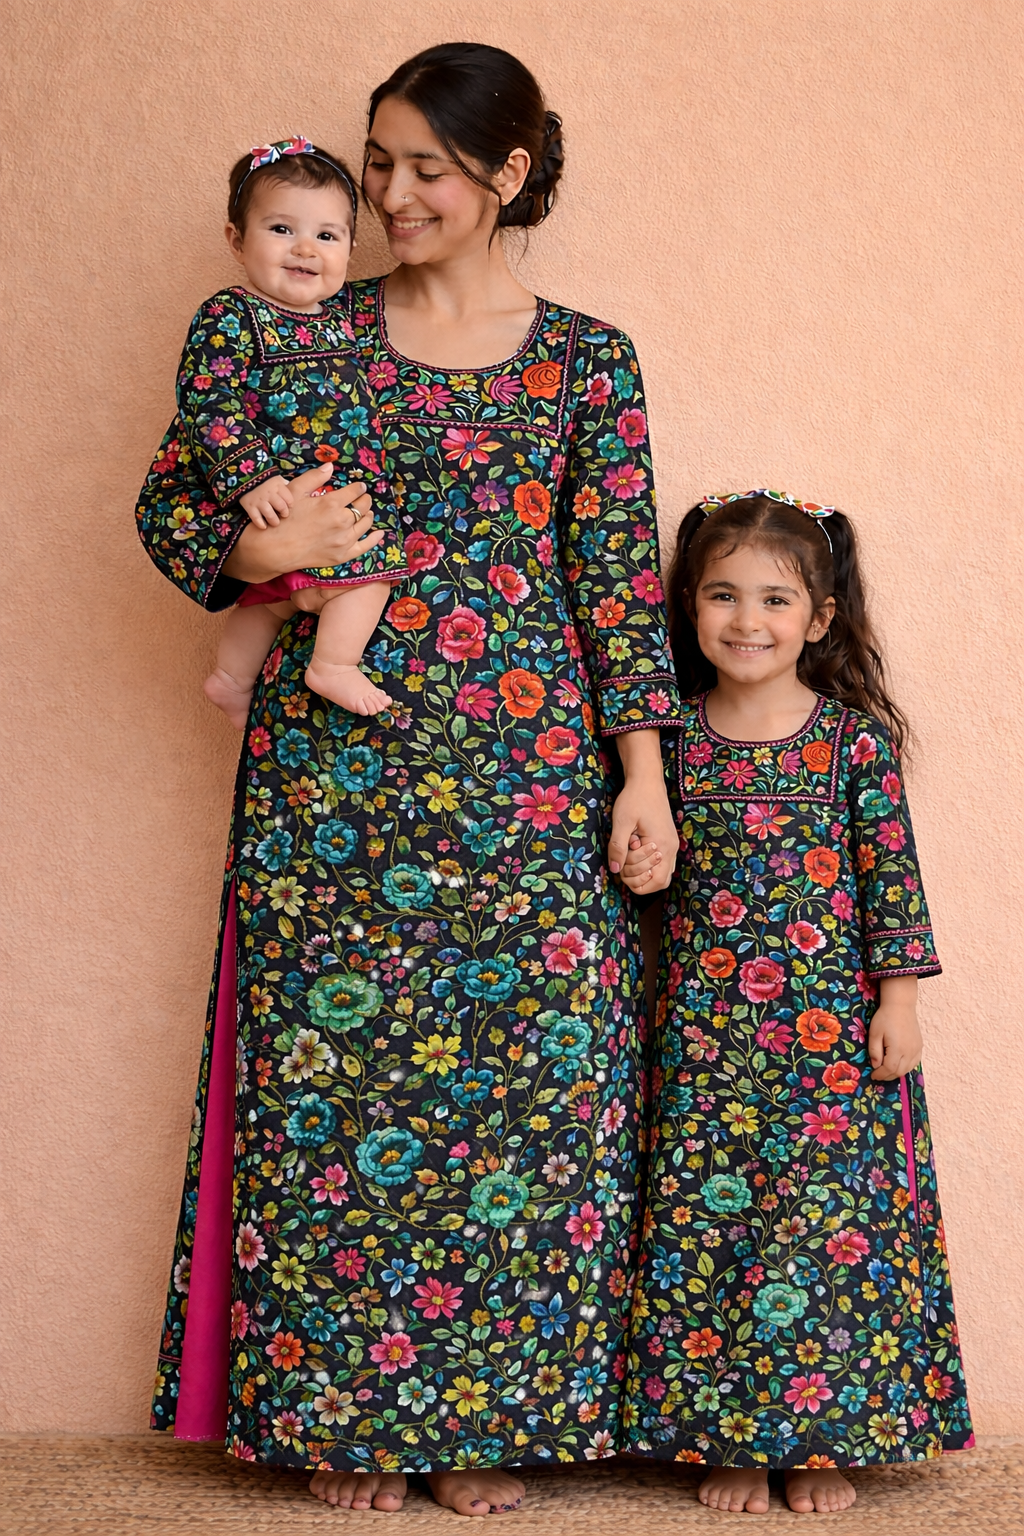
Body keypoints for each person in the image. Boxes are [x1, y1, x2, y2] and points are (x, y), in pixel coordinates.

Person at [139, 43, 682, 1516]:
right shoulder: (302, 324)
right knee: (337, 1090)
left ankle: (487, 1422)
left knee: (532, 1100)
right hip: (337, 782)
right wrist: (259, 551)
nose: (388, 195)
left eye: (425, 168)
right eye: (377, 164)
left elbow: (616, 581)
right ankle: (347, 1417)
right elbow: (178, 505)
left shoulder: (588, 361)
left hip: (531, 783)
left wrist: (643, 779)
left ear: (507, 173)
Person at [620, 491, 973, 1513]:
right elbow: (644, 875)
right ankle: (730, 1438)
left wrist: (898, 1004)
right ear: (689, 607)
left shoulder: (851, 745)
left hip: (832, 1047)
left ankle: (815, 1441)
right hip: (704, 1043)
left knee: (823, 1235)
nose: (747, 620)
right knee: (713, 1233)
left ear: (818, 618)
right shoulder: (668, 747)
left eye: (774, 600)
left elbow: (891, 879)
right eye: (722, 595)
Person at [168, 136, 408, 726]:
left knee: (272, 602)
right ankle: (332, 665)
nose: (305, 248)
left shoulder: (343, 322)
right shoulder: (231, 314)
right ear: (236, 240)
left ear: (350, 249)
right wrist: (248, 478)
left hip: (332, 492)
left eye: (327, 236)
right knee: (369, 573)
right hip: (272, 491)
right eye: (281, 229)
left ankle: (230, 679)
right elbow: (207, 399)